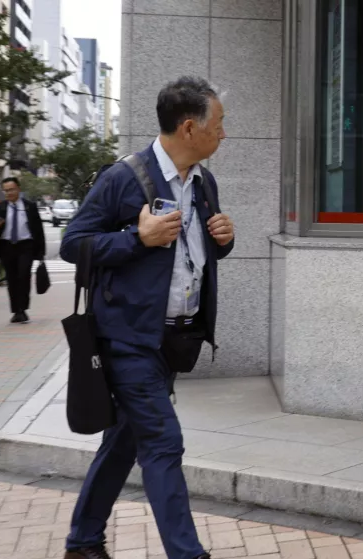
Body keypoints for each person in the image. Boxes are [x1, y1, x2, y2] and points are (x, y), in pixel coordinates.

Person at [59, 76, 235, 559]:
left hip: (176, 341)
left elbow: (195, 257)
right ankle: (187, 553)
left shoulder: (203, 180)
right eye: (218, 124)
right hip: (129, 340)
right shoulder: (124, 177)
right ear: (188, 127)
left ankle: (82, 541)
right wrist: (137, 239)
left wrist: (224, 238)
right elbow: (74, 244)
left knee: (124, 443)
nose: (223, 134)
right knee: (163, 443)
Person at [0, 177, 46, 323]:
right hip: (6, 246)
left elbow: (38, 230)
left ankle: (23, 309)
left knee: (24, 275)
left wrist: (41, 252)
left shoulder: (29, 206)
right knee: (12, 279)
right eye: (6, 190)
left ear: (18, 189)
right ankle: (16, 311)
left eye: (11, 189)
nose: (8, 193)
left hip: (25, 246)